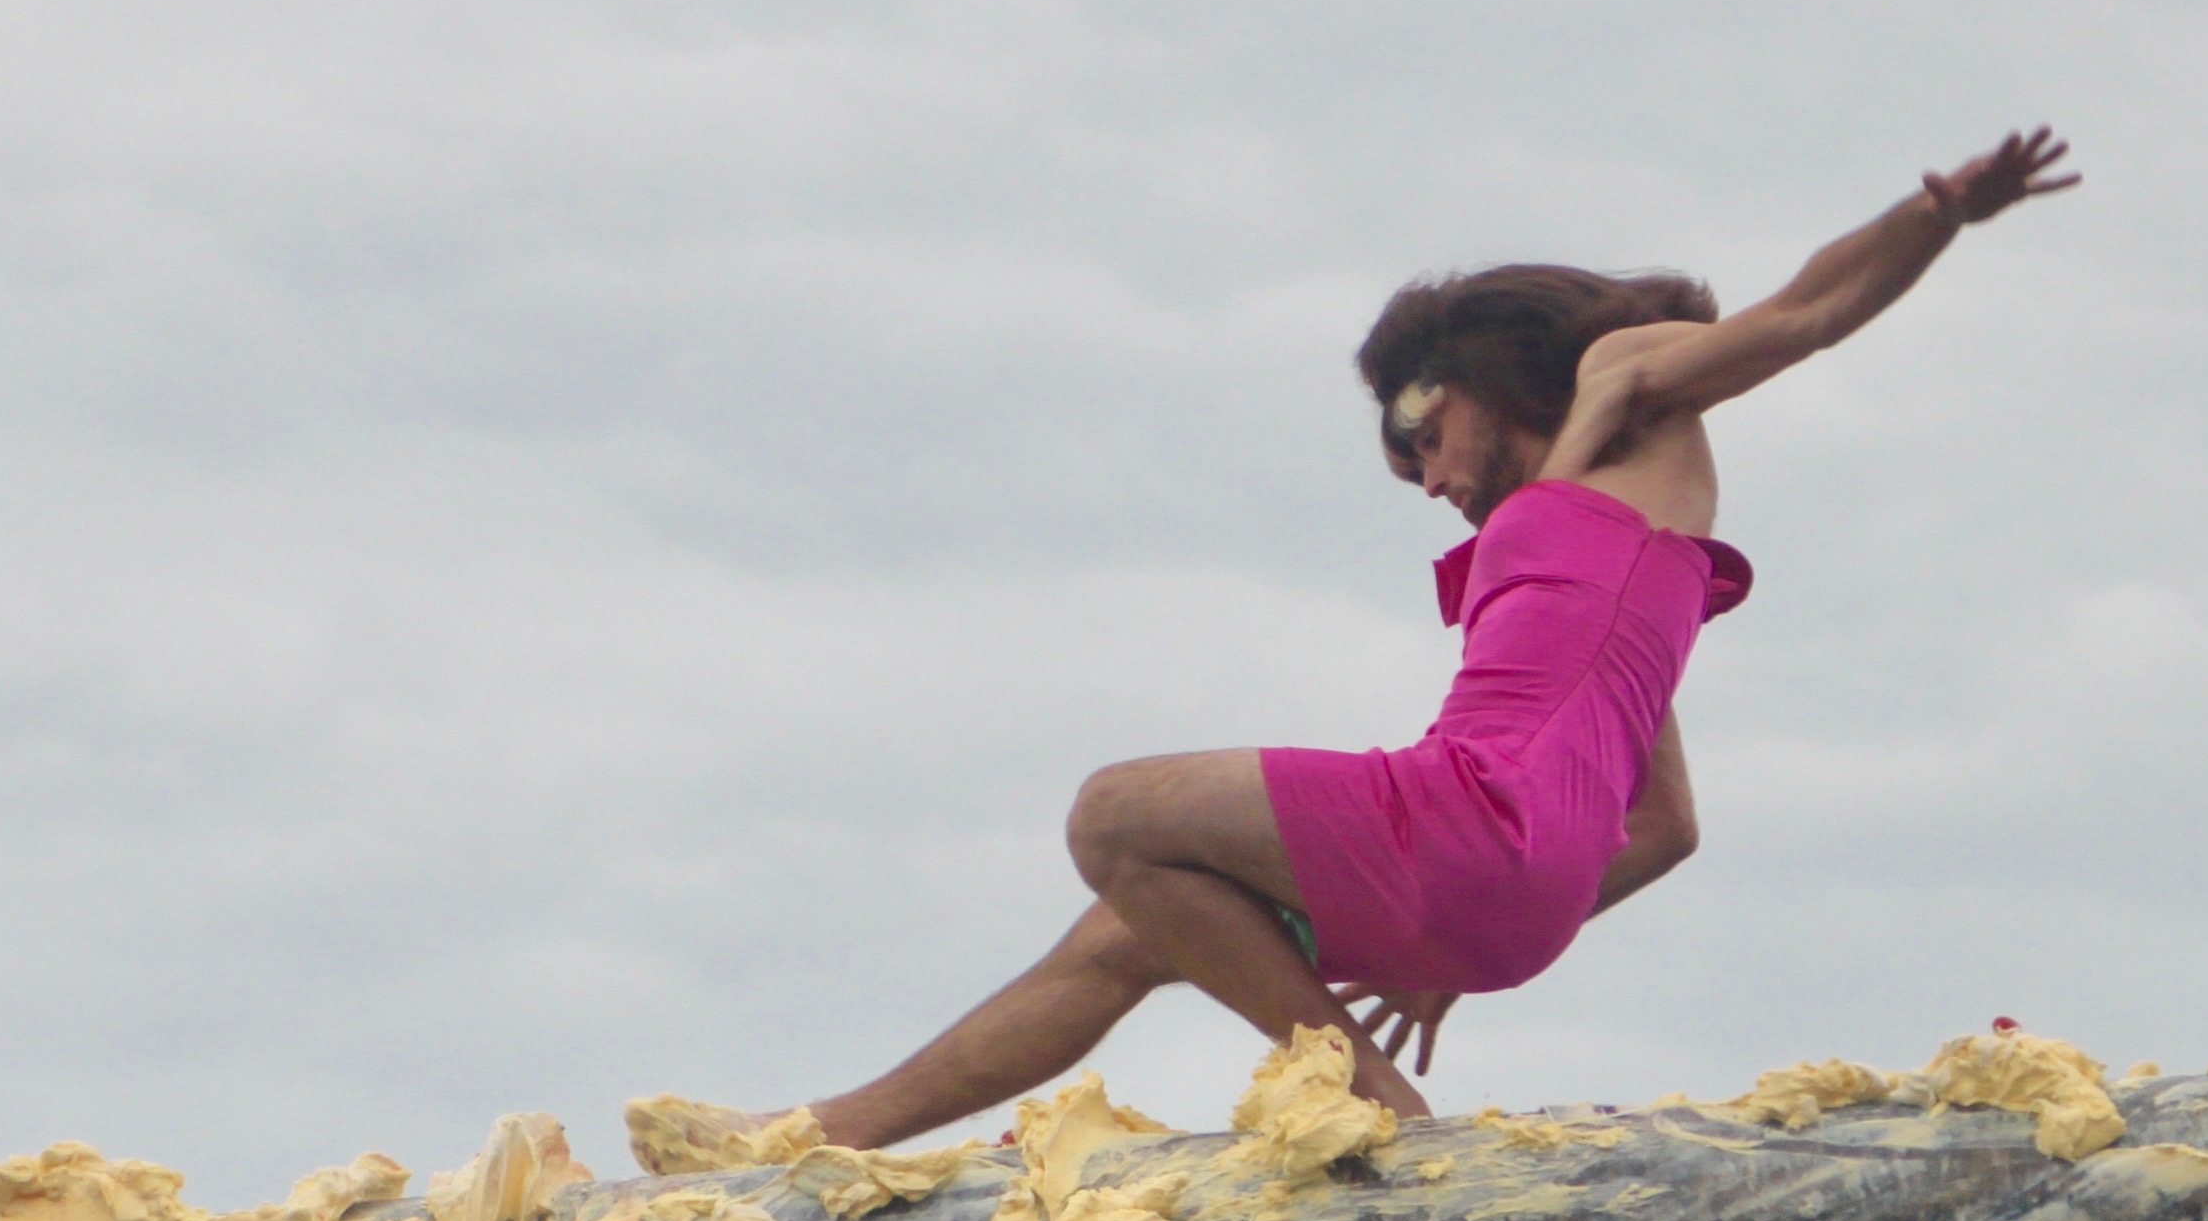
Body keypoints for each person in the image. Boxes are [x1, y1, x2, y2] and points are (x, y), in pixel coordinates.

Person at [789, 129, 2083, 1145]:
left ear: (1473, 372)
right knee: (1133, 924)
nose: (1427, 479)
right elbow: (1664, 827)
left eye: (1423, 435)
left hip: (1469, 822)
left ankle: (1381, 1110)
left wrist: (1936, 215)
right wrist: (1444, 950)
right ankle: (823, 1136)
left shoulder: (1627, 384)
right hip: (1499, 886)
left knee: (1113, 814)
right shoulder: (1609, 553)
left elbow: (1802, 313)